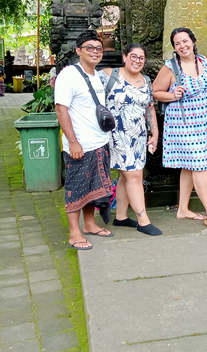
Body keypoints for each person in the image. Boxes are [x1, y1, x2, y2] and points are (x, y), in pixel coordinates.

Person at [153, 27, 207, 233]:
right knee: (200, 167)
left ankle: (183, 208)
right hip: (183, 125)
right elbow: (156, 92)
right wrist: (173, 94)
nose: (182, 46)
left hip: (204, 122)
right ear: (174, 47)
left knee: (189, 166)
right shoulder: (170, 67)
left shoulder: (203, 61)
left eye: (185, 41)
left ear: (193, 41)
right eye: (177, 43)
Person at [54, 29, 116, 250]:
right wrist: (72, 141)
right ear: (78, 50)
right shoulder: (69, 74)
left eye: (98, 48)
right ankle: (74, 233)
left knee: (93, 188)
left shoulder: (96, 75)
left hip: (99, 142)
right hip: (80, 145)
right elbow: (61, 109)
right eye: (89, 47)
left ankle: (90, 224)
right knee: (76, 188)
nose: (95, 51)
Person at [98, 44, 161, 235]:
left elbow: (150, 108)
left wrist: (155, 133)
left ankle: (121, 217)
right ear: (125, 57)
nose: (137, 61)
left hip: (138, 136)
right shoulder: (109, 75)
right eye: (133, 56)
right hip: (117, 136)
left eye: (141, 58)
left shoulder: (146, 80)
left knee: (126, 176)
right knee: (134, 176)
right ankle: (143, 219)